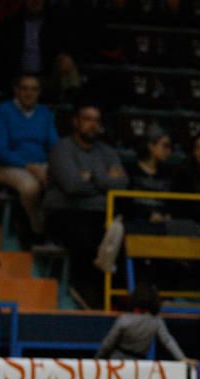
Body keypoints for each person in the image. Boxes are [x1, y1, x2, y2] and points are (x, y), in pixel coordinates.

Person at [43, 100, 128, 309]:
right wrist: (105, 182)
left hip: (100, 213)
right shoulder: (61, 149)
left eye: (96, 121)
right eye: (87, 119)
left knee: (120, 238)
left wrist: (90, 177)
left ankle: (117, 294)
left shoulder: (107, 152)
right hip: (64, 212)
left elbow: (122, 185)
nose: (92, 125)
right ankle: (84, 289)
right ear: (76, 122)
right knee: (85, 236)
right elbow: (71, 185)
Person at [0, 72, 58, 246]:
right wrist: (28, 166)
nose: (29, 93)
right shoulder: (4, 111)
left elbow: (54, 145)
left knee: (61, 180)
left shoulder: (45, 113)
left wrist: (50, 167)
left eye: (34, 89)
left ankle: (56, 230)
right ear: (16, 91)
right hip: (8, 165)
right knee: (30, 187)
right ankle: (38, 229)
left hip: (40, 164)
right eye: (25, 89)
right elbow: (0, 150)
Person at [96, 282, 190, 362]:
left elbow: (108, 343)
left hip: (118, 361)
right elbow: (167, 340)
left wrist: (97, 359)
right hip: (140, 363)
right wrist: (182, 358)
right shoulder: (156, 321)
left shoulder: (124, 319)